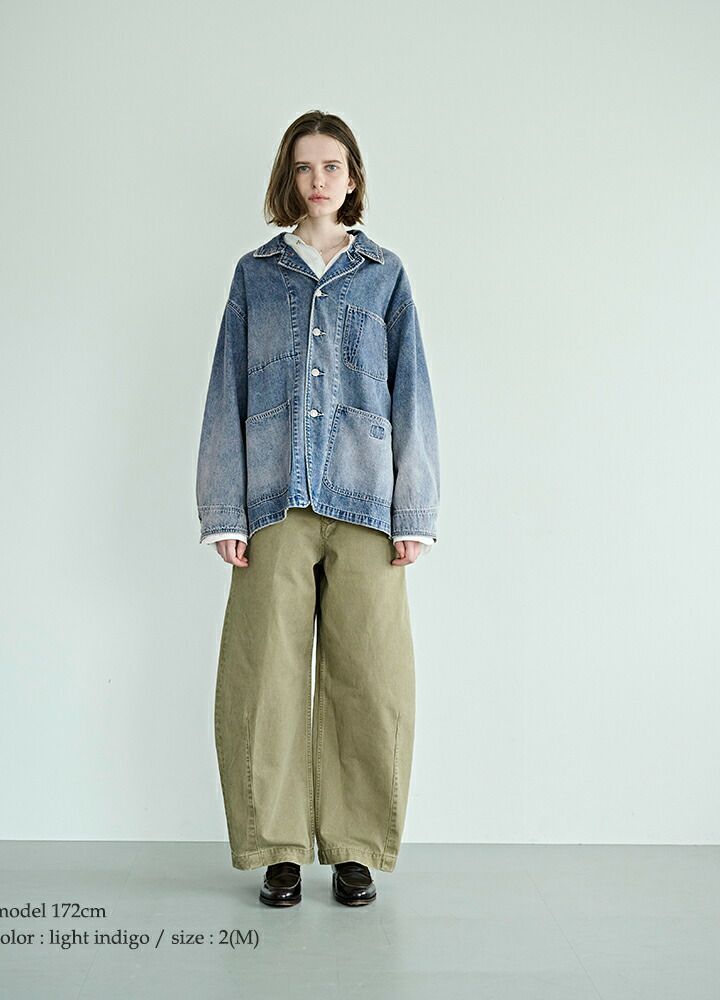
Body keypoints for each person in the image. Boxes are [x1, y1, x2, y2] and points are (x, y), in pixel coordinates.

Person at [195, 110, 440, 907]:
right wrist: (224, 508)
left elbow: (412, 393)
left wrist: (415, 511)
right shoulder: (255, 274)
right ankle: (278, 847)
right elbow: (227, 390)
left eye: (331, 166)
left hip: (369, 502)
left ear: (353, 175)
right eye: (304, 167)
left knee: (371, 675)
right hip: (273, 501)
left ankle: (355, 846)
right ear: (288, 178)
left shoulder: (384, 275)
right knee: (263, 675)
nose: (318, 180)